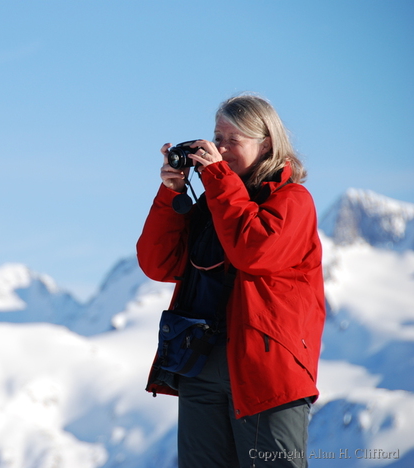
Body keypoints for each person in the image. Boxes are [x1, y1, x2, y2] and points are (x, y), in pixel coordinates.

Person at [136, 94, 326, 468]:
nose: (219, 150)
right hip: (200, 361)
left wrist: (219, 179)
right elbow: (157, 263)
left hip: (266, 371)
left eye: (232, 141)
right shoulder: (215, 202)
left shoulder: (292, 201)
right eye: (216, 139)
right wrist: (171, 193)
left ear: (266, 143)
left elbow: (253, 251)